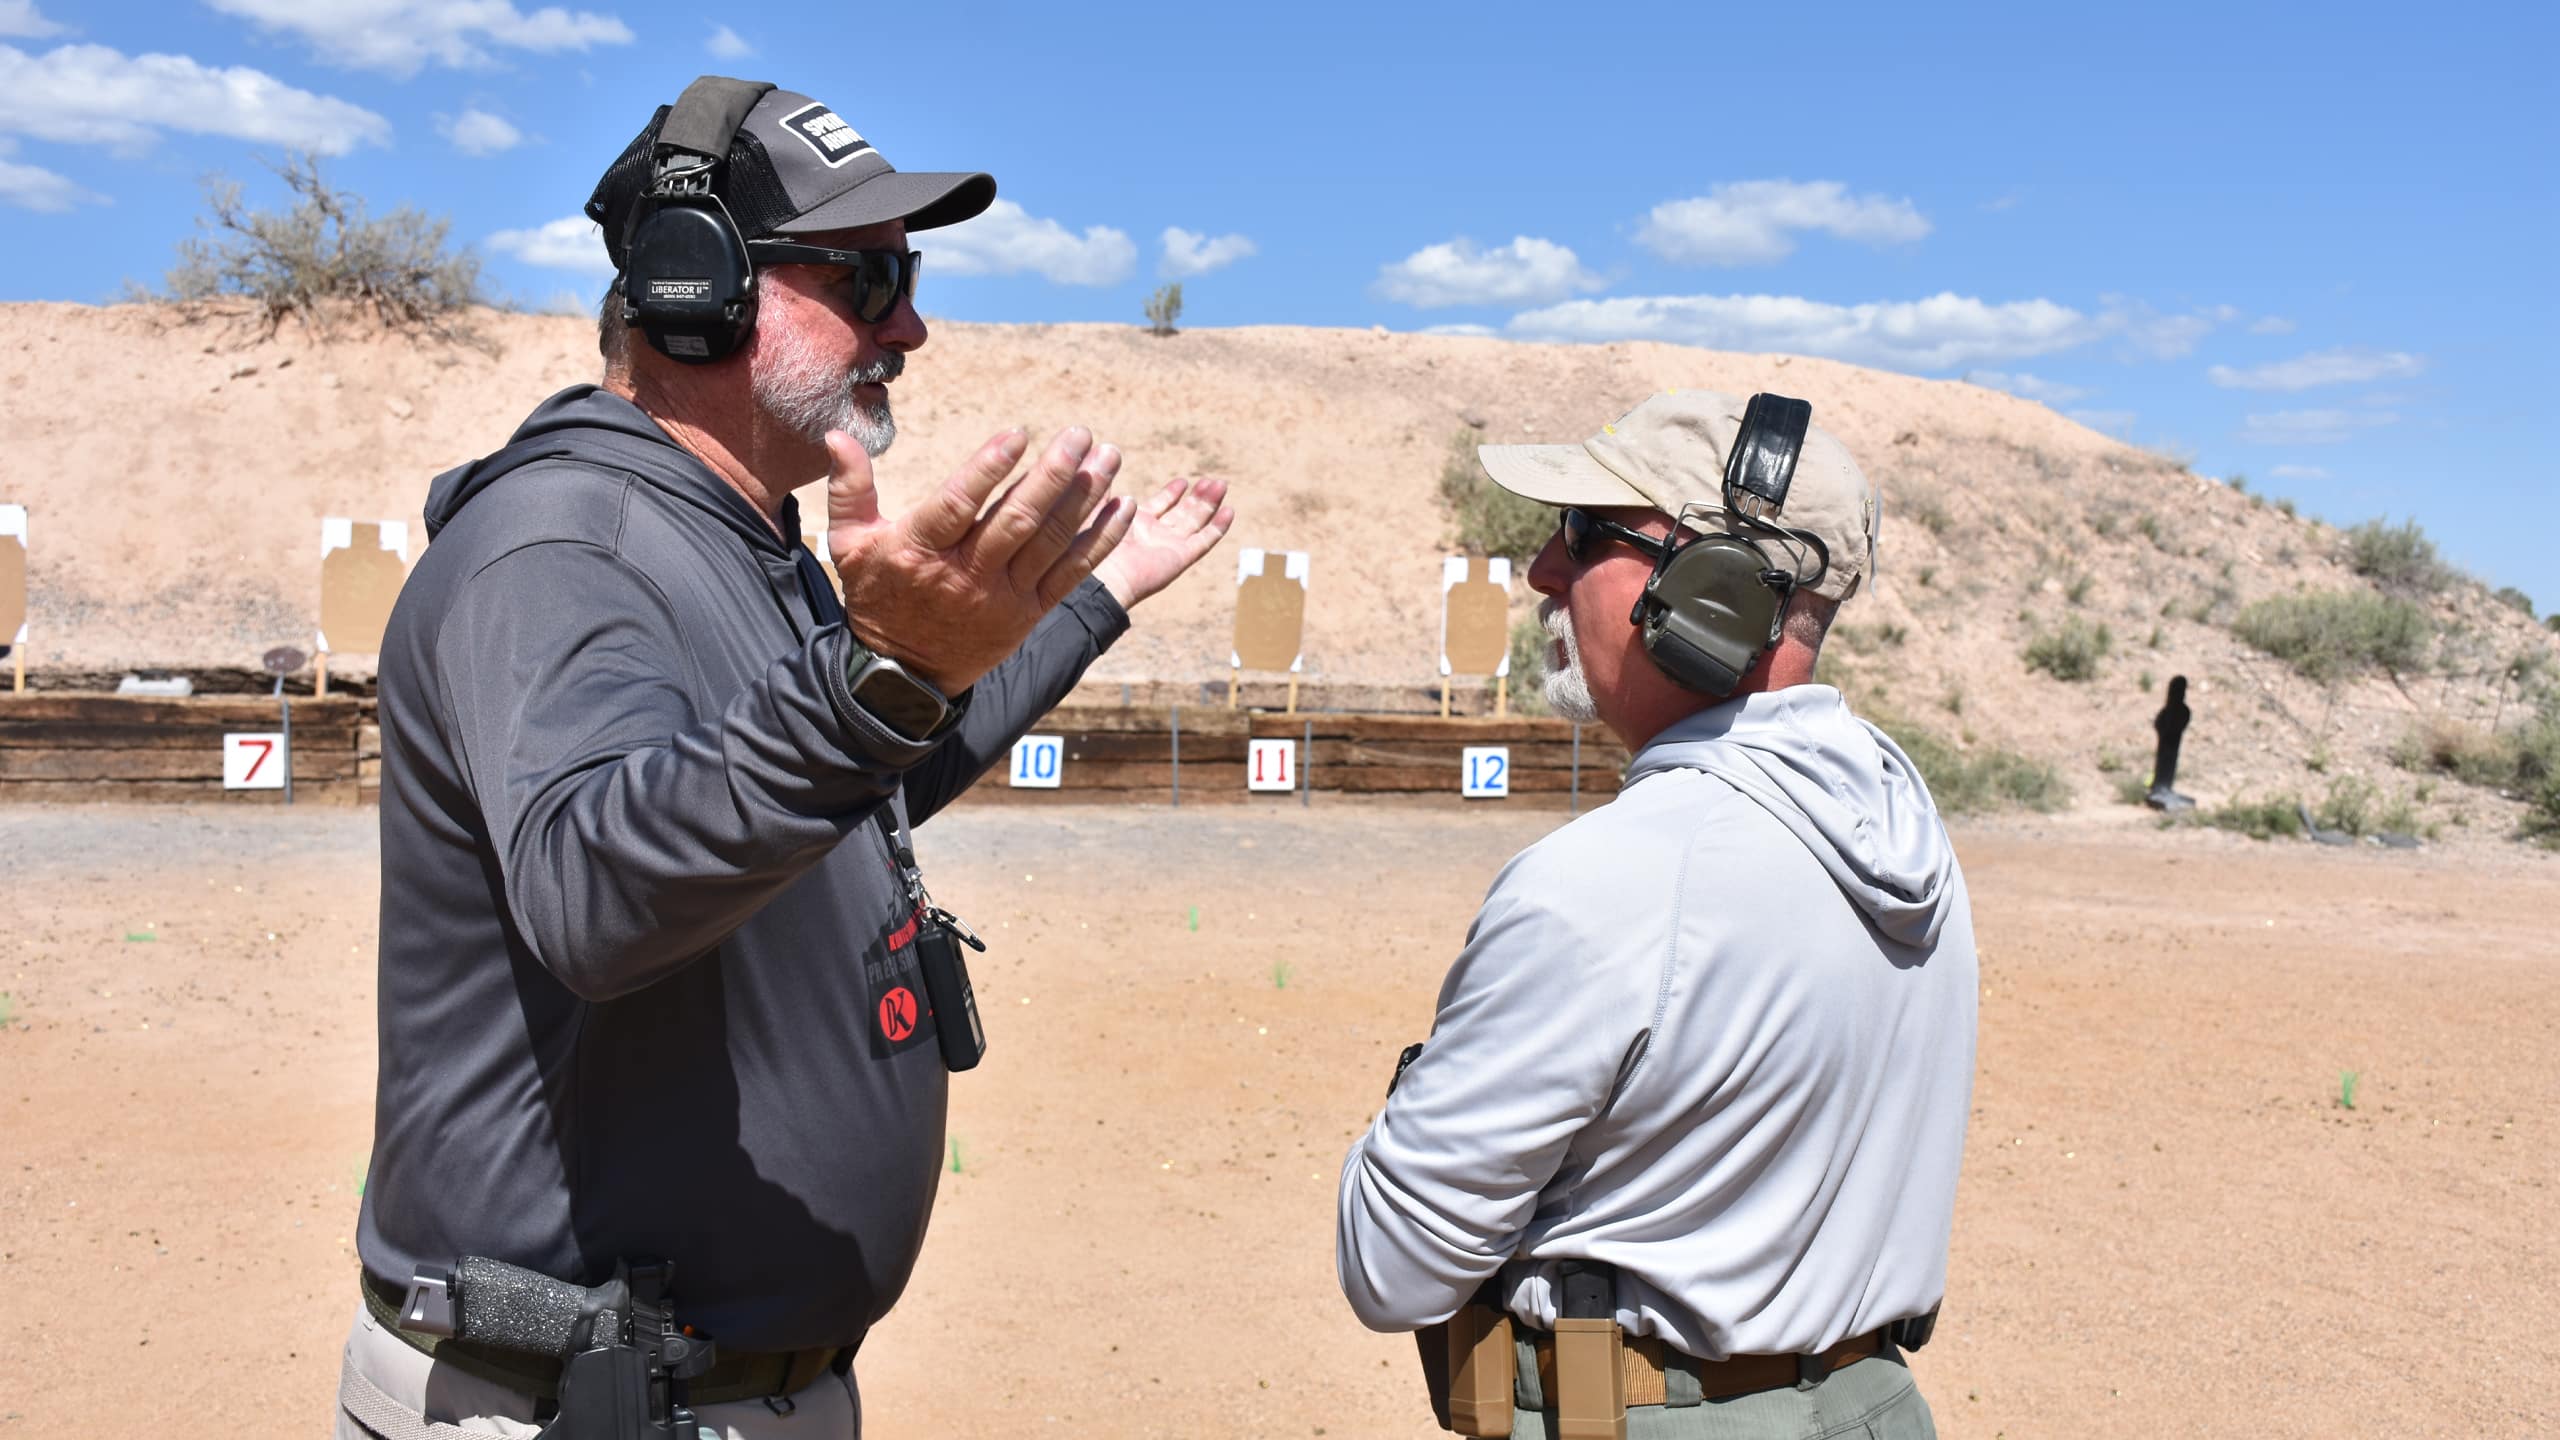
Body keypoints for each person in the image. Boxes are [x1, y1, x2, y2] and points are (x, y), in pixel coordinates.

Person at [335, 79, 1232, 1439]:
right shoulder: (566, 547)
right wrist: (885, 677)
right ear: (693, 286)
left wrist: (1087, 607)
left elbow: (861, 774)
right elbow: (595, 895)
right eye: (869, 280)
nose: (911, 325)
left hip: (698, 1394)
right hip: (573, 1404)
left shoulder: (739, 538)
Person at [1336, 391, 1974, 1439]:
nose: (1544, 570)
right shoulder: (1904, 830)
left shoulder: (1610, 881)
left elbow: (1392, 1268)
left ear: (1709, 593)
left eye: (1586, 534)